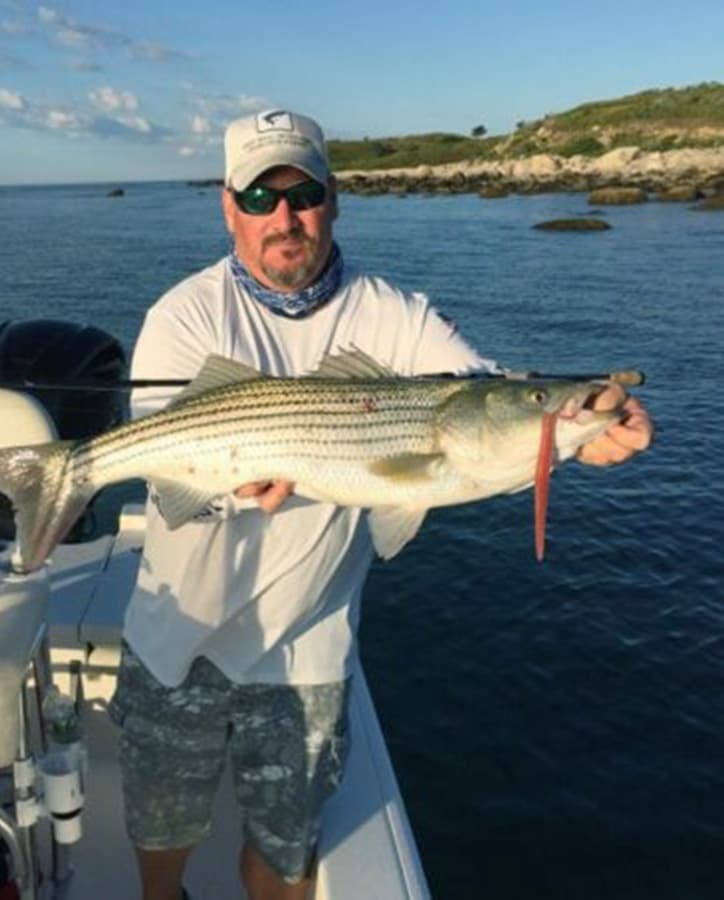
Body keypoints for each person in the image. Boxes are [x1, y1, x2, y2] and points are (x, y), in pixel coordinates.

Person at [109, 108, 653, 900]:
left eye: (304, 195)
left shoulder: (395, 314)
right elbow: (161, 458)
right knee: (162, 836)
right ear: (229, 207)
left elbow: (487, 390)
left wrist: (579, 431)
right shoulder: (184, 316)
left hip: (306, 648)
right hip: (176, 633)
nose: (285, 219)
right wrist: (228, 487)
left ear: (334, 198)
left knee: (287, 855)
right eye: (261, 199)